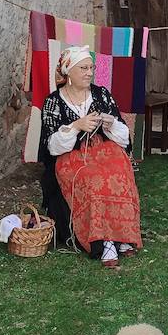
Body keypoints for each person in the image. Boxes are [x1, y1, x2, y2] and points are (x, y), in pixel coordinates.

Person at [39, 45, 141, 268]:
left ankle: (122, 235)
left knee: (118, 171)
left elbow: (123, 135)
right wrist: (76, 125)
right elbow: (52, 146)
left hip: (103, 149)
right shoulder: (53, 102)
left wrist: (111, 123)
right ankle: (104, 242)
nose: (89, 73)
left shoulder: (101, 94)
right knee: (94, 179)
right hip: (71, 157)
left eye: (91, 68)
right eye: (83, 68)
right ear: (68, 73)